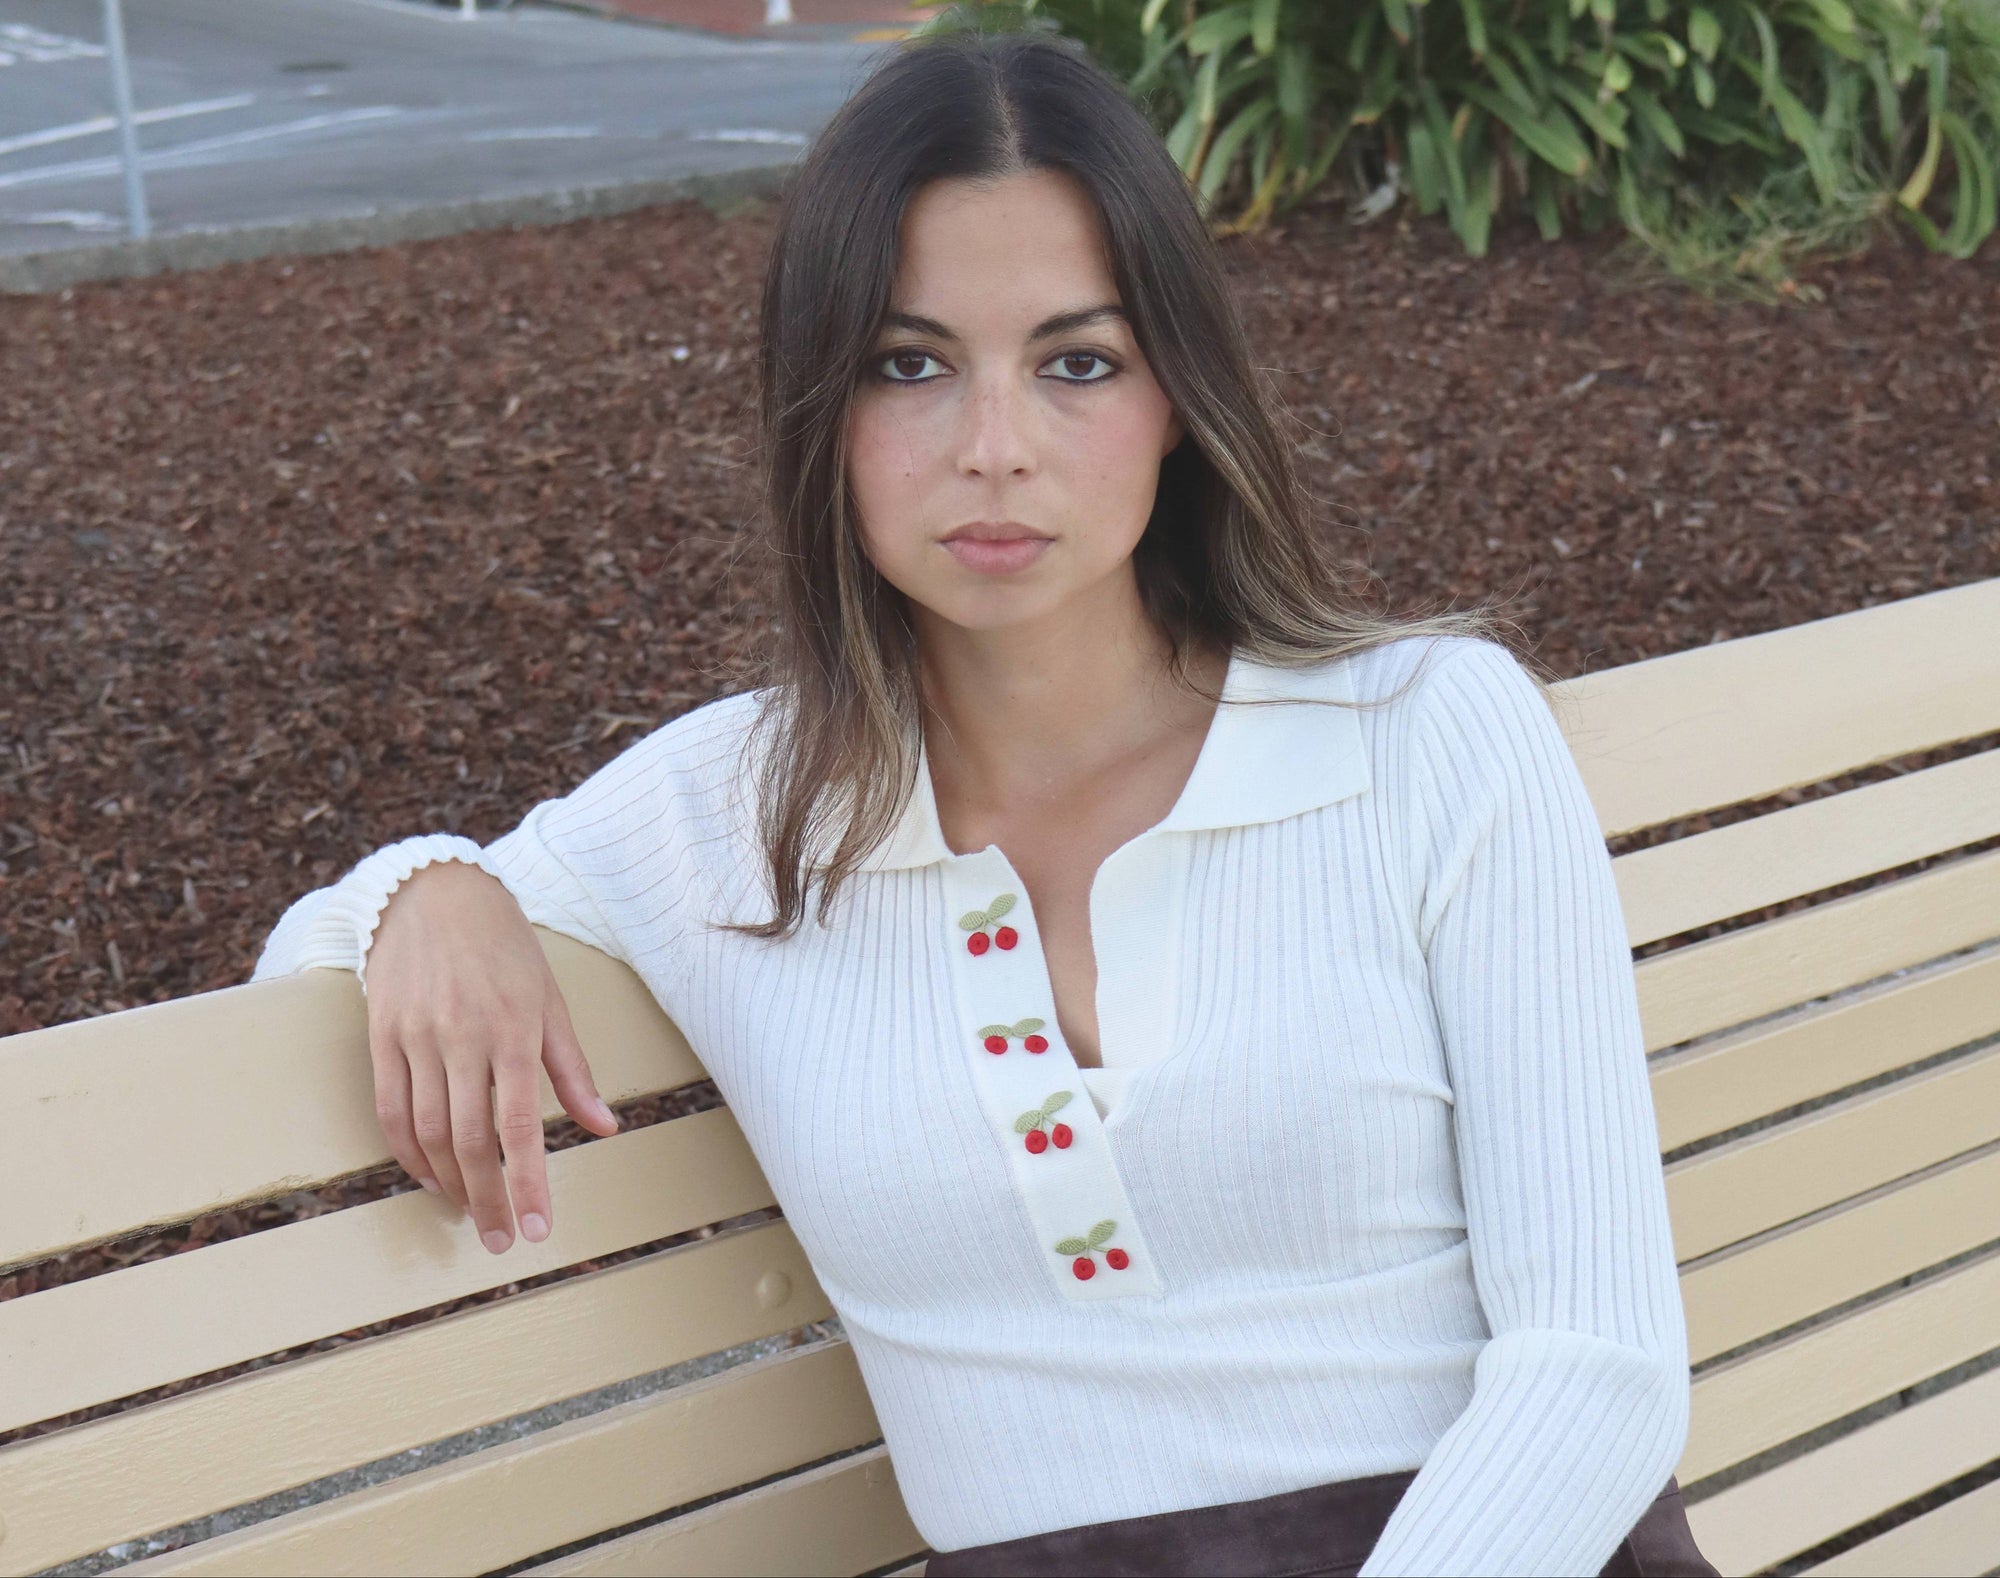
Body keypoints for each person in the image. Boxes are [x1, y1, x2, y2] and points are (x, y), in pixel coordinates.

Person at [251, 26, 1719, 1578]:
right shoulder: (729, 818)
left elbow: (1599, 1361)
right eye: (911, 365)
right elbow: (308, 964)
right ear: (822, 405)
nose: (994, 449)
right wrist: (432, 887)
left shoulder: (1428, 732)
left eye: (1076, 362)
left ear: (1177, 396)